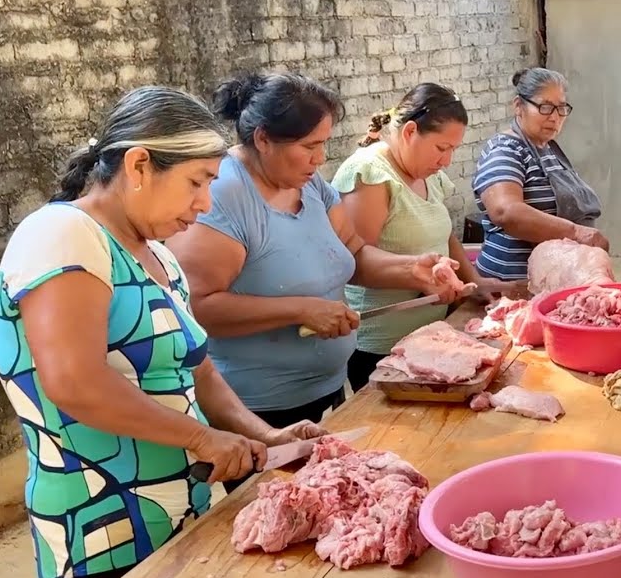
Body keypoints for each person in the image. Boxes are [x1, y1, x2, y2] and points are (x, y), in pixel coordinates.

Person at [0, 87, 328, 578]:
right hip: (104, 527)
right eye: (197, 181)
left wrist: (264, 434)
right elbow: (74, 382)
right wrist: (201, 437)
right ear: (139, 165)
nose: (205, 203)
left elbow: (199, 370)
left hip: (187, 509)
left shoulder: (159, 255)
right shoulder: (62, 233)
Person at [167, 74, 460, 467]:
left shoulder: (310, 186)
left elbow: (353, 252)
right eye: (310, 146)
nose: (320, 158)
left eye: (322, 143)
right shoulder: (223, 197)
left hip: (328, 392)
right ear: (264, 139)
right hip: (258, 414)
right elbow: (198, 308)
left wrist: (412, 269)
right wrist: (300, 310)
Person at [332, 83, 517, 391]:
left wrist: (474, 282)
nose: (446, 161)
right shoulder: (370, 172)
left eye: (453, 150)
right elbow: (353, 260)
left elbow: (444, 237)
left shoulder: (427, 174)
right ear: (410, 132)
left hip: (432, 332)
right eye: (441, 148)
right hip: (383, 343)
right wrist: (419, 277)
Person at [472, 67, 607, 281]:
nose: (555, 117)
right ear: (519, 106)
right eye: (545, 107)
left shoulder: (550, 150)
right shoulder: (506, 149)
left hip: (553, 279)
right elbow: (505, 211)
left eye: (561, 109)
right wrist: (576, 233)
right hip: (510, 286)